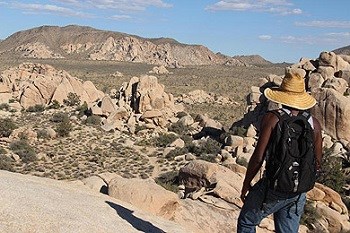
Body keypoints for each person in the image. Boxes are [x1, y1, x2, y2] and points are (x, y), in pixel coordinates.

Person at [237, 71, 323, 233]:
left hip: (274, 187)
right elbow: (317, 161)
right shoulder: (315, 124)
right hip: (299, 190)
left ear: (282, 96)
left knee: (247, 222)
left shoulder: (272, 118)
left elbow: (258, 157)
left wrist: (246, 183)